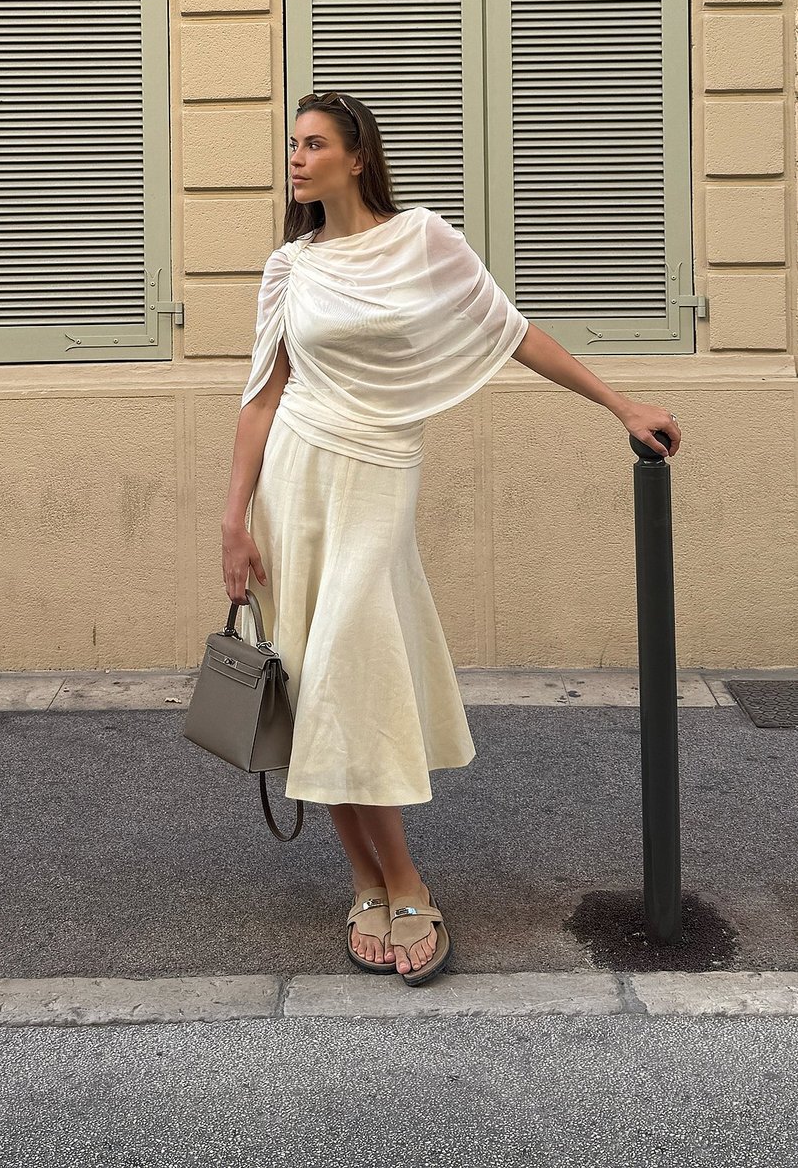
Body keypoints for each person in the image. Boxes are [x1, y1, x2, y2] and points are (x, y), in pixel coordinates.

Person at [221, 91, 682, 986]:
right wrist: (232, 519)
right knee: (315, 676)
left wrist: (620, 403)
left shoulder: (422, 238)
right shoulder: (290, 267)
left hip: (378, 473)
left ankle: (405, 880)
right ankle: (371, 881)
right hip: (294, 479)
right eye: (293, 144)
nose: (297, 158)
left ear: (358, 156)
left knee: (351, 661)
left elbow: (513, 332)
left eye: (313, 144)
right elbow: (261, 397)